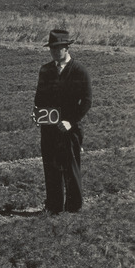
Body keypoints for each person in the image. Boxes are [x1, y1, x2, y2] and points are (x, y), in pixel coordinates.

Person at [33, 29, 92, 214]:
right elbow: (39, 97)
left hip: (69, 128)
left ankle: (74, 209)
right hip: (49, 127)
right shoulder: (46, 70)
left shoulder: (80, 71)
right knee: (51, 167)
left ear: (67, 48)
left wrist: (71, 122)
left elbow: (87, 101)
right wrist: (38, 115)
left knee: (71, 167)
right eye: (52, 48)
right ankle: (53, 207)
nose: (54, 52)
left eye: (58, 48)